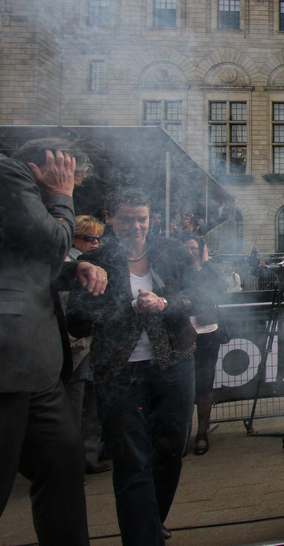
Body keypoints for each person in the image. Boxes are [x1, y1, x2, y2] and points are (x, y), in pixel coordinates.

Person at [67, 187, 198, 545]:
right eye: (127, 219)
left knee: (171, 452)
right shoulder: (95, 260)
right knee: (131, 463)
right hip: (119, 374)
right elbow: (76, 321)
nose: (136, 227)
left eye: (142, 219)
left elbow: (199, 298)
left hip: (174, 366)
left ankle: (150, 522)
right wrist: (118, 308)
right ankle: (143, 537)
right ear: (109, 219)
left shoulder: (170, 251)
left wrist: (164, 303)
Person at [0, 138, 107, 546]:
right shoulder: (10, 174)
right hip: (10, 361)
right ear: (54, 164)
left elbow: (23, 264)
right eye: (71, 180)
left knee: (63, 462)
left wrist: (73, 271)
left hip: (36, 364)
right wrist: (61, 197)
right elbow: (52, 241)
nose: (73, 189)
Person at [66, 215, 112, 475]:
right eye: (89, 238)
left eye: (97, 239)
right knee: (73, 409)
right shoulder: (68, 265)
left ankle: (89, 457)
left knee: (93, 406)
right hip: (75, 346)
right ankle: (71, 466)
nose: (95, 243)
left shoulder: (96, 263)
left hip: (93, 347)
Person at [181, 235, 225, 457]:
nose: (192, 253)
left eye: (195, 249)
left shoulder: (208, 268)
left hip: (207, 332)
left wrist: (206, 263)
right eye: (187, 249)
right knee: (182, 388)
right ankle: (181, 436)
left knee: (204, 386)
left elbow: (222, 285)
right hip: (182, 333)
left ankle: (202, 433)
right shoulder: (177, 270)